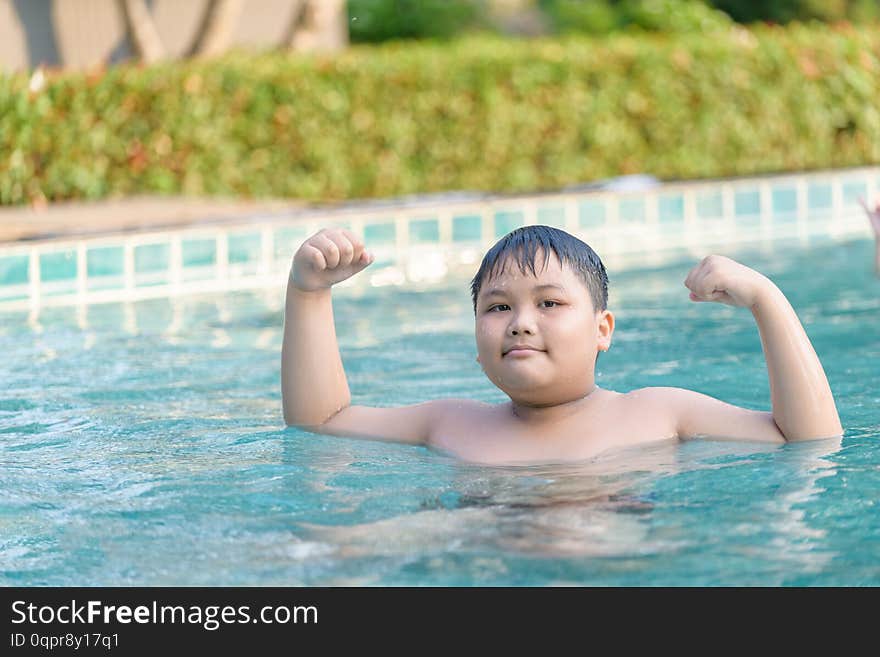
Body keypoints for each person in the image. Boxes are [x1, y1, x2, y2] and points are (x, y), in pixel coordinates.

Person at [281, 225, 842, 465]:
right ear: (475, 340)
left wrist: (767, 300)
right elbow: (319, 420)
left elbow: (808, 438)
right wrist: (308, 294)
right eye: (498, 308)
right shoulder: (448, 423)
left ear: (603, 330)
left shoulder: (659, 413)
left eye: (549, 303)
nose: (521, 323)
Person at [858, 197, 880, 274]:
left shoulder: (874, 216)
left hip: (877, 236)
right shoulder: (873, 216)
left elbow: (867, 210)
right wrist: (862, 203)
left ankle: (876, 271)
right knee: (878, 255)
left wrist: (862, 203)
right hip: (878, 236)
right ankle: (876, 271)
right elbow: (867, 210)